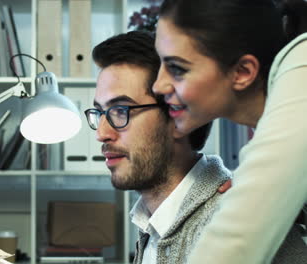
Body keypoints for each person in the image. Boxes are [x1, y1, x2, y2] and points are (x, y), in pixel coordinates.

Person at [86, 31, 305, 264]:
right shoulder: (152, 226)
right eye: (99, 112)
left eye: (121, 111)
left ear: (178, 116)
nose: (101, 134)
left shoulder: (235, 222)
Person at [151, 0, 307, 263]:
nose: (158, 85)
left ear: (243, 72)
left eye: (177, 69)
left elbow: (233, 246)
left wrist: (259, 194)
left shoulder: (301, 66)